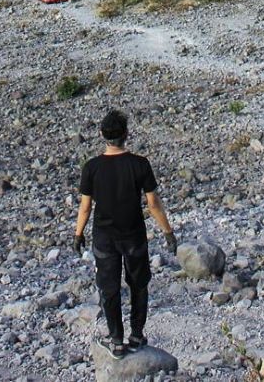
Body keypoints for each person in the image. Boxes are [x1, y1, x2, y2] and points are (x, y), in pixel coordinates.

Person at [74, 110, 176, 358]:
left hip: (104, 237)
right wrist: (168, 231)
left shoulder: (92, 167)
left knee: (109, 288)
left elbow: (85, 206)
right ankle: (137, 336)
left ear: (102, 135)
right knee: (138, 285)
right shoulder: (140, 164)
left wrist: (78, 234)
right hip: (133, 235)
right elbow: (153, 204)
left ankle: (116, 340)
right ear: (126, 134)